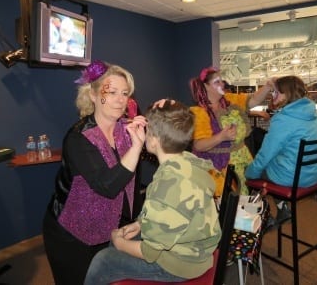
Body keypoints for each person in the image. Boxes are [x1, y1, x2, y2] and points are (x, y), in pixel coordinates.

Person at [84, 100, 221, 284]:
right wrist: (140, 224)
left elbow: (150, 252)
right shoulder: (188, 163)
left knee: (103, 260)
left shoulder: (168, 185)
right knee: (124, 238)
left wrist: (119, 243)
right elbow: (172, 215)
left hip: (180, 264)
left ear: (154, 141)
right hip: (195, 248)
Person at [42, 60, 147, 285]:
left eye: (125, 93)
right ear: (93, 94)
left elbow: (132, 182)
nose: (121, 100)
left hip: (110, 229)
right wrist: (137, 147)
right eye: (112, 92)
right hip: (71, 233)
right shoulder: (78, 138)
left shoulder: (125, 131)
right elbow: (107, 186)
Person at [245, 75, 317, 225]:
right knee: (270, 167)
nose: (273, 95)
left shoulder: (283, 119)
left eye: (277, 92)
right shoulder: (313, 115)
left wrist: (248, 174)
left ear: (288, 94)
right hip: (313, 175)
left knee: (251, 175)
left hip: (292, 177)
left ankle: (259, 221)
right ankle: (282, 208)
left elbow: (264, 155)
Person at [189, 66, 273, 196]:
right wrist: (221, 137)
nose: (222, 84)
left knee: (258, 191)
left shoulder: (229, 99)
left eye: (222, 81)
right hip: (222, 167)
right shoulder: (199, 112)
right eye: (217, 82)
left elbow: (254, 100)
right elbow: (199, 145)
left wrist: (267, 86)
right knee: (239, 199)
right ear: (206, 86)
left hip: (243, 157)